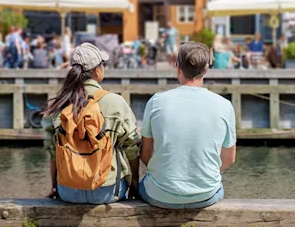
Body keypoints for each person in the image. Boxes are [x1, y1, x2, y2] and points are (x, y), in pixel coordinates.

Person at [139, 42, 236, 209]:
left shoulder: (156, 102)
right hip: (206, 194)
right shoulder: (225, 105)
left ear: (178, 68)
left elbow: (145, 155)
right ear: (206, 69)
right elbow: (229, 159)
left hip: (160, 193)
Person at [42, 43, 140, 204]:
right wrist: (134, 180)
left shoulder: (58, 104)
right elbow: (132, 146)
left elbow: (53, 151)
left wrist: (55, 186)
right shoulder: (115, 101)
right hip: (107, 191)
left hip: (67, 191)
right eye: (103, 64)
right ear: (97, 70)